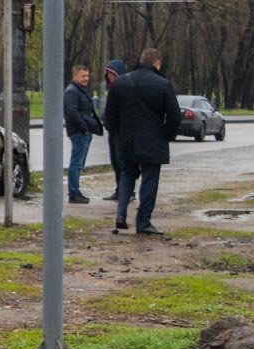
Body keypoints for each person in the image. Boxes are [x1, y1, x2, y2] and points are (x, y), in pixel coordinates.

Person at [104, 48, 180, 235]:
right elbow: (175, 115)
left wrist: (117, 133)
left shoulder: (120, 83)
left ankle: (120, 215)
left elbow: (110, 114)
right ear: (157, 64)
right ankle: (143, 222)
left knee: (127, 175)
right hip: (153, 141)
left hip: (127, 139)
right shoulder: (163, 84)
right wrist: (167, 134)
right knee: (149, 179)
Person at [63, 64, 103, 204]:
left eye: (87, 75)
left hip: (84, 131)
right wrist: (84, 128)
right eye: (83, 76)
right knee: (76, 163)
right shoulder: (72, 92)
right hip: (79, 132)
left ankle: (75, 191)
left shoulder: (80, 90)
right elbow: (72, 112)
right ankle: (74, 193)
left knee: (79, 164)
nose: (86, 78)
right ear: (75, 76)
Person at [102, 59, 128, 200]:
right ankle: (120, 189)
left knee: (121, 162)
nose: (109, 76)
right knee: (115, 161)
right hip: (113, 131)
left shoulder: (123, 89)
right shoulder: (113, 89)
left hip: (120, 131)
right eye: (108, 74)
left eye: (111, 73)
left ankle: (126, 191)